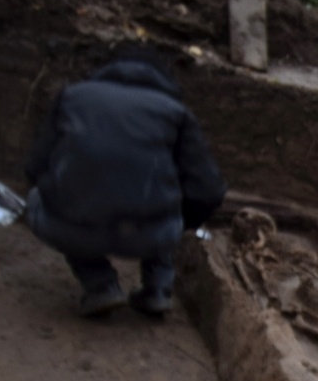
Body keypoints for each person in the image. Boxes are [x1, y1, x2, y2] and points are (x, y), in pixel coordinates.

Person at [24, 48, 226, 318]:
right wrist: (179, 222)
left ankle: (100, 284)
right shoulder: (175, 113)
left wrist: (65, 192)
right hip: (151, 235)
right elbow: (208, 190)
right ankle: (157, 289)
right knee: (171, 202)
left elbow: (34, 167)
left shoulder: (72, 97)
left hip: (77, 229)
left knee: (36, 201)